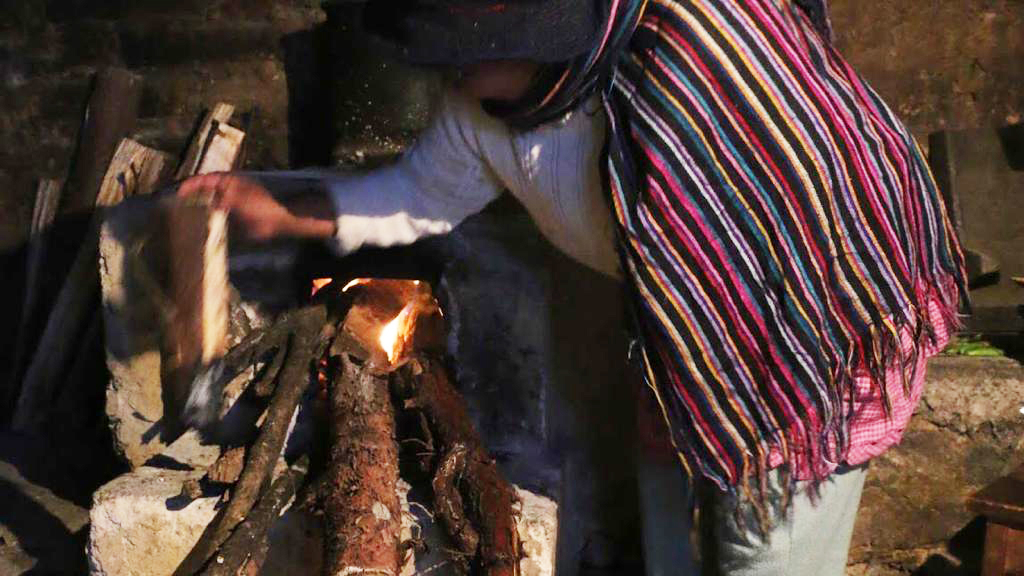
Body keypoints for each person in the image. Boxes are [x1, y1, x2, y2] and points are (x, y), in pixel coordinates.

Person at [179, 1, 965, 574]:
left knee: (764, 553)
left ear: (541, 32)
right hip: (685, 331)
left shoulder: (691, 53)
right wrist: (279, 210)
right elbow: (415, 197)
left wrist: (739, 362)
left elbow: (805, 204)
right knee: (669, 508)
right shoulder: (491, 107)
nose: (450, 71)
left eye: (467, 50)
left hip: (810, 336)